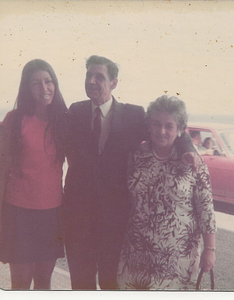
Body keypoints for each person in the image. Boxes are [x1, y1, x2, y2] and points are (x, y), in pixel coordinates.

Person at [63, 55, 198, 290]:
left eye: (99, 77)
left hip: (114, 223)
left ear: (114, 83)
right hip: (79, 220)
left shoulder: (133, 115)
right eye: (88, 76)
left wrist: (188, 148)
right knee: (80, 285)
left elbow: (168, 127)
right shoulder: (75, 111)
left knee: (110, 284)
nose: (92, 81)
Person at [117, 95, 216, 290]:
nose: (161, 131)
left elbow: (206, 210)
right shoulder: (136, 155)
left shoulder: (192, 161)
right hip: (136, 253)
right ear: (149, 126)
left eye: (169, 126)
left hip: (177, 259)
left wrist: (210, 250)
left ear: (179, 129)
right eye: (156, 124)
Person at [0, 59, 69, 290]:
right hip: (18, 214)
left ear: (55, 83)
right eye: (35, 83)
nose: (44, 89)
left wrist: (184, 141)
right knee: (20, 285)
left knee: (44, 284)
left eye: (48, 81)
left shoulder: (65, 120)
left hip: (52, 214)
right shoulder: (14, 121)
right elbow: (2, 174)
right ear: (26, 87)